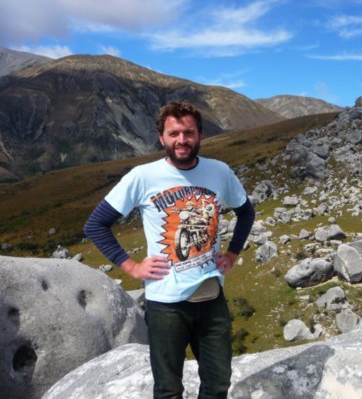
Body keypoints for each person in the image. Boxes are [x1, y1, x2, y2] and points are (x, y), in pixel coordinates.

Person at [84, 101, 255, 398]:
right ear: (161, 137)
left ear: (200, 135)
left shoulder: (220, 172)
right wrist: (131, 267)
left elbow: (246, 212)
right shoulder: (142, 176)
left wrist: (232, 253)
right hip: (165, 304)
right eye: (174, 133)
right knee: (167, 389)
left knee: (217, 386)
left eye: (188, 133)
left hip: (211, 298)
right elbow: (96, 224)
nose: (182, 141)